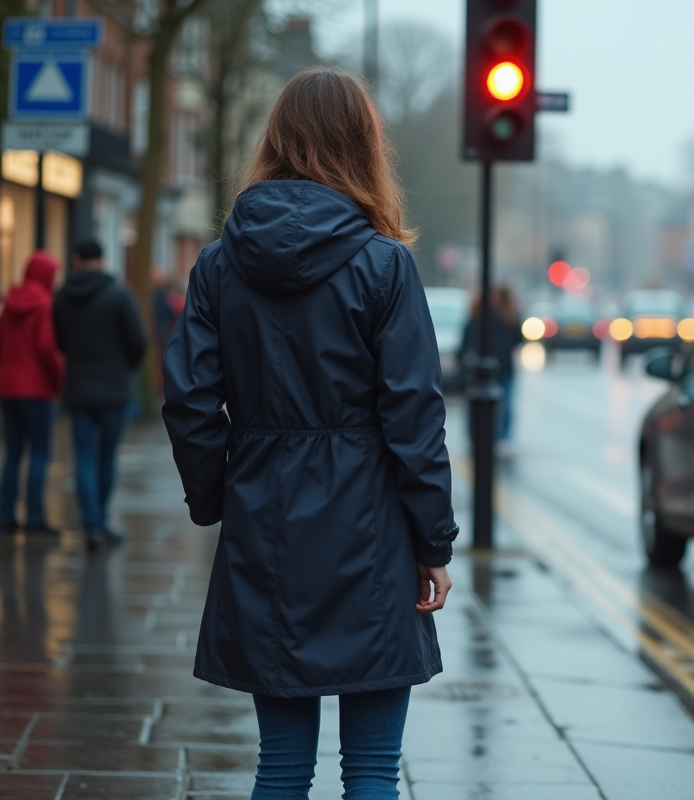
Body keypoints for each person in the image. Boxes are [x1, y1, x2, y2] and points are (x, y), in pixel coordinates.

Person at [161, 68, 456, 800]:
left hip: (265, 523)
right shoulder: (385, 267)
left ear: (276, 140)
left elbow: (190, 399)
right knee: (373, 773)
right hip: (373, 530)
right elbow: (414, 415)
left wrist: (218, 498)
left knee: (282, 768)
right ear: (364, 146)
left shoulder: (219, 265)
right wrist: (434, 542)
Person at [53, 240, 147, 550]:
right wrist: (124, 368)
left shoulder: (63, 297)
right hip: (113, 390)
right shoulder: (119, 294)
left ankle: (91, 525)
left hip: (78, 388)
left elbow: (60, 340)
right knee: (106, 458)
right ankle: (101, 521)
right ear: (102, 259)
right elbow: (138, 342)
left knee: (82, 457)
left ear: (76, 260)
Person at [0, 252, 64, 537]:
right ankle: (35, 515)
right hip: (37, 390)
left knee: (13, 452)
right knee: (39, 452)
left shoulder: (9, 304)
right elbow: (46, 349)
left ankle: (5, 513)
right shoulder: (44, 306)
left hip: (7, 388)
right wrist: (60, 379)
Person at [459, 286, 521, 451]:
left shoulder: (507, 318)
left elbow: (518, 339)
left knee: (505, 407)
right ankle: (477, 438)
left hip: (504, 369)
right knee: (477, 407)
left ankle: (502, 439)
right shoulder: (476, 318)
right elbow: (465, 344)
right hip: (479, 371)